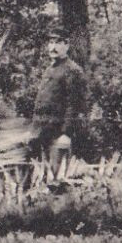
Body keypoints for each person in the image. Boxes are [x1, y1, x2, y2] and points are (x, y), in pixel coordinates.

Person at [31, 40, 87, 176]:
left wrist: (66, 133)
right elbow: (42, 103)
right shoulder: (50, 69)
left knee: (57, 180)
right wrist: (34, 130)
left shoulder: (72, 69)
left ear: (67, 46)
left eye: (58, 43)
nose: (53, 47)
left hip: (58, 136)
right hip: (43, 133)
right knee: (42, 178)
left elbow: (74, 104)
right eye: (50, 42)